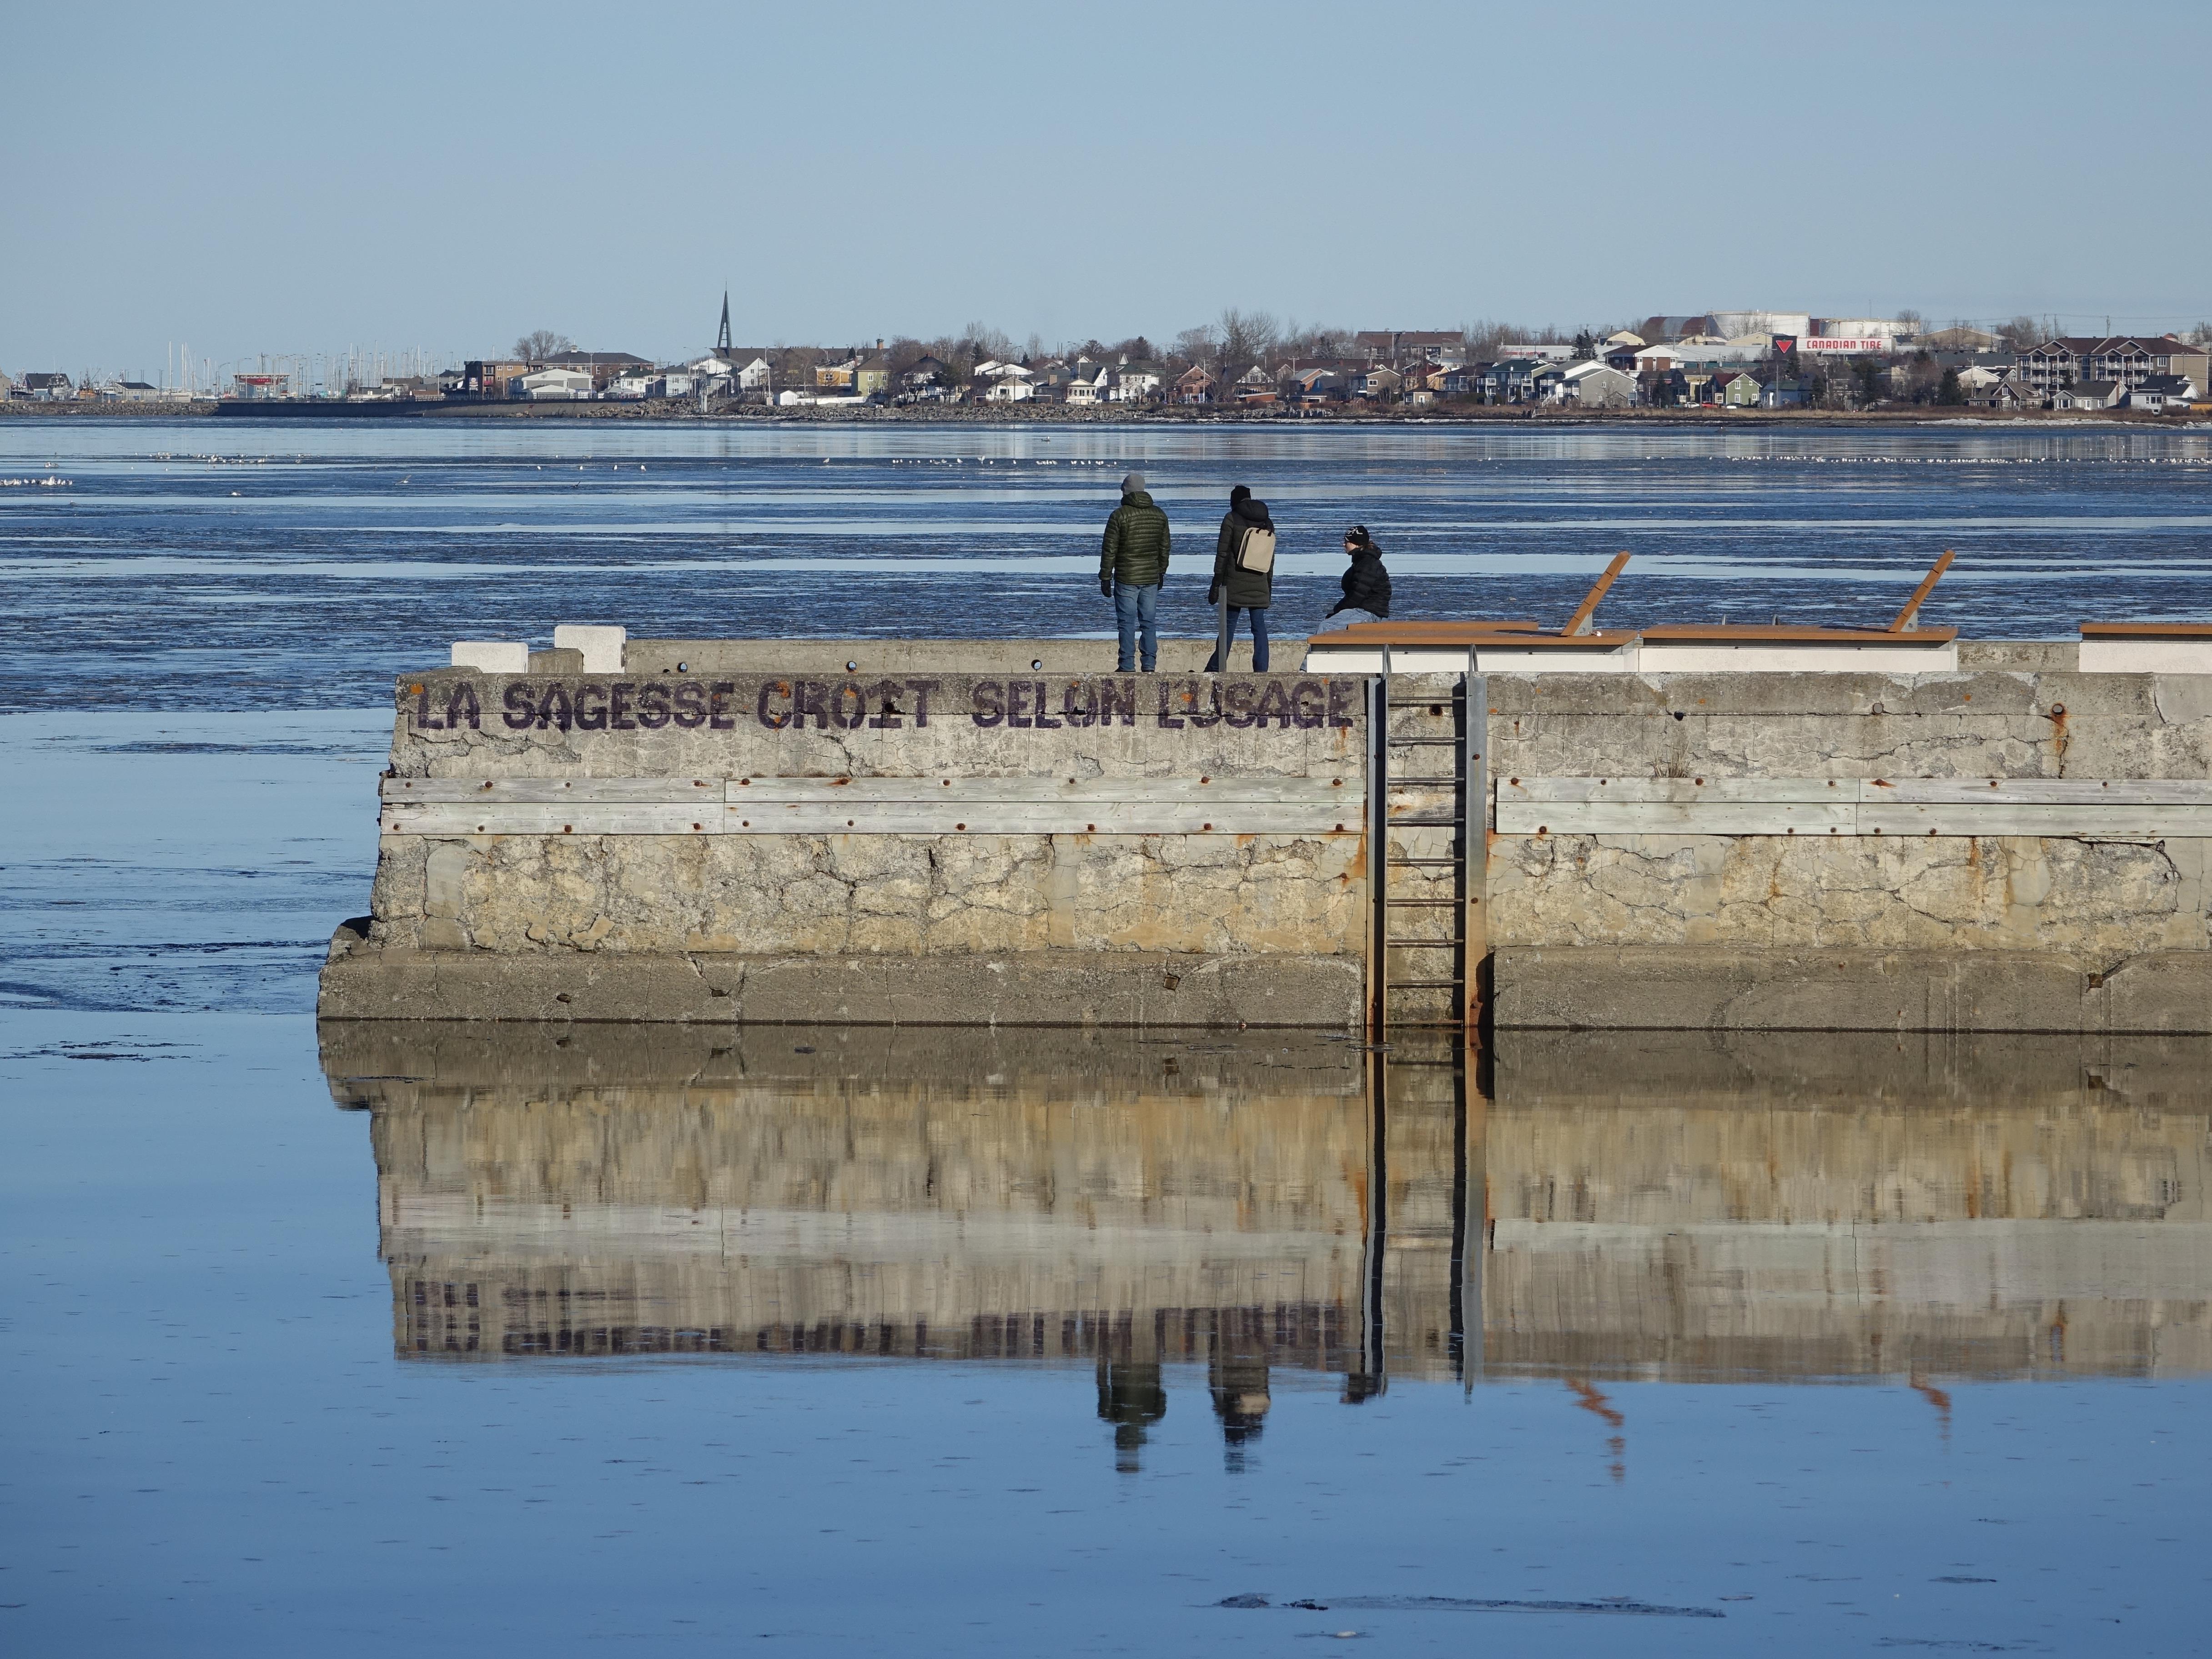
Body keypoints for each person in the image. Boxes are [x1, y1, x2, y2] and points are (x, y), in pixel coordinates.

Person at [1099, 470, 1171, 673]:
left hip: (1127, 578)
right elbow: (1165, 547)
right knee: (1148, 622)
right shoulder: (1159, 515)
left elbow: (1110, 549)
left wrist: (1106, 577)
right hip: (1151, 577)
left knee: (1126, 623)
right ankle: (1149, 665)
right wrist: (1161, 571)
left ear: (1126, 491)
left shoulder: (1119, 516)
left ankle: (1127, 665)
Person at [1204, 484, 1274, 672]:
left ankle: (1216, 668)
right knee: (1259, 628)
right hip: (1260, 581)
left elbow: (1222, 554)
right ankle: (1262, 670)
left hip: (1233, 582)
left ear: (1233, 501)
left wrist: (1216, 585)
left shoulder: (1231, 518)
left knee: (1227, 627)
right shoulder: (1267, 521)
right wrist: (1269, 586)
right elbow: (1270, 558)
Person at [1324, 523, 1392, 621]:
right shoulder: (1362, 561)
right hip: (1364, 609)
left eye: (1347, 542)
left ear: (1356, 544)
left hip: (1370, 612)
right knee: (1330, 622)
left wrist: (1338, 610)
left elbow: (1358, 595)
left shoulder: (1368, 564)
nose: (1344, 544)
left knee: (1326, 626)